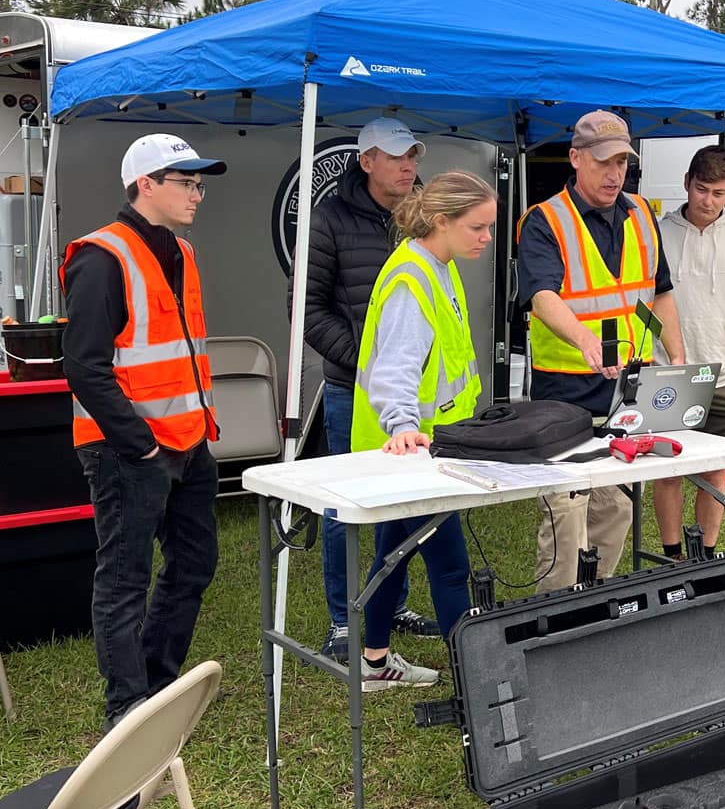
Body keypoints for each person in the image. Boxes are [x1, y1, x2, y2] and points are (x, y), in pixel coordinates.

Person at [61, 133, 227, 731]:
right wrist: (140, 445)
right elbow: (83, 364)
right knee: (125, 576)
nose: (197, 195)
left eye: (199, 183)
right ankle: (126, 709)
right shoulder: (101, 256)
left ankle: (157, 683)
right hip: (128, 449)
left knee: (195, 563)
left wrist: (188, 437)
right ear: (145, 184)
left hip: (189, 440)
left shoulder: (182, 253)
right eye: (186, 183)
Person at [292, 117, 440, 666]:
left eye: (414, 156)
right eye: (397, 156)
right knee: (346, 505)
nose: (409, 166)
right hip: (350, 390)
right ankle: (341, 618)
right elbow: (306, 313)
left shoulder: (423, 218)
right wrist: (373, 363)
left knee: (405, 503)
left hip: (415, 397)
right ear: (366, 161)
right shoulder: (328, 219)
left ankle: (390, 605)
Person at [517, 110, 685, 593]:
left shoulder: (642, 216)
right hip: (564, 392)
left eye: (622, 164)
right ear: (575, 159)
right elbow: (542, 295)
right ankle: (554, 612)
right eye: (604, 163)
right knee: (567, 511)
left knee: (617, 507)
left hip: (627, 390)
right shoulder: (544, 221)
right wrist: (585, 340)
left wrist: (677, 354)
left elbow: (660, 292)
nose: (615, 174)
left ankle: (596, 602)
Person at [350, 171, 496, 689]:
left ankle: (373, 661)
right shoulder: (414, 279)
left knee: (395, 552)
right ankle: (474, 683)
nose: (486, 238)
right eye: (478, 228)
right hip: (413, 450)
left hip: (433, 446)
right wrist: (404, 427)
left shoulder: (438, 264)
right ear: (442, 222)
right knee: (449, 565)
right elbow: (395, 368)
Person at [651, 145, 725, 560]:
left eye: (718, 193)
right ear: (686, 184)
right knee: (667, 471)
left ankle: (706, 556)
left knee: (715, 467)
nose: (708, 201)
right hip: (670, 374)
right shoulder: (657, 234)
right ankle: (671, 555)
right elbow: (644, 302)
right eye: (701, 190)